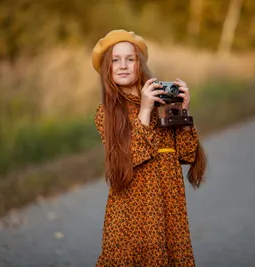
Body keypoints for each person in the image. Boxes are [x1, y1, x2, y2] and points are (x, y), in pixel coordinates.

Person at [92, 29, 207, 266]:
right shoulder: (107, 114)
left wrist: (182, 112)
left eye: (130, 59)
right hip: (131, 214)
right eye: (115, 60)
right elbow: (129, 158)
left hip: (168, 209)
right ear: (107, 69)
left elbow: (186, 155)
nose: (123, 65)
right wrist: (144, 110)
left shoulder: (161, 105)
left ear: (140, 65)